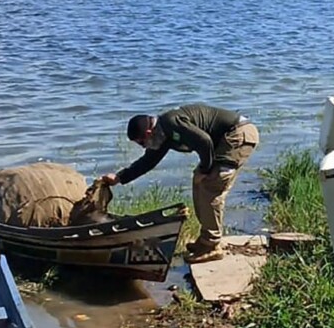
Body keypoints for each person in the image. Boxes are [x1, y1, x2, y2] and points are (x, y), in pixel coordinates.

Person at [101, 104, 260, 263]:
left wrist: (204, 170)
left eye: (142, 143)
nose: (144, 147)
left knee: (210, 185)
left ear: (149, 132)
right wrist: (119, 177)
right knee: (199, 185)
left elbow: (204, 141)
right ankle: (205, 241)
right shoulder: (161, 136)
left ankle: (212, 246)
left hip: (238, 134)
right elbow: (147, 162)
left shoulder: (171, 123)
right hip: (225, 141)